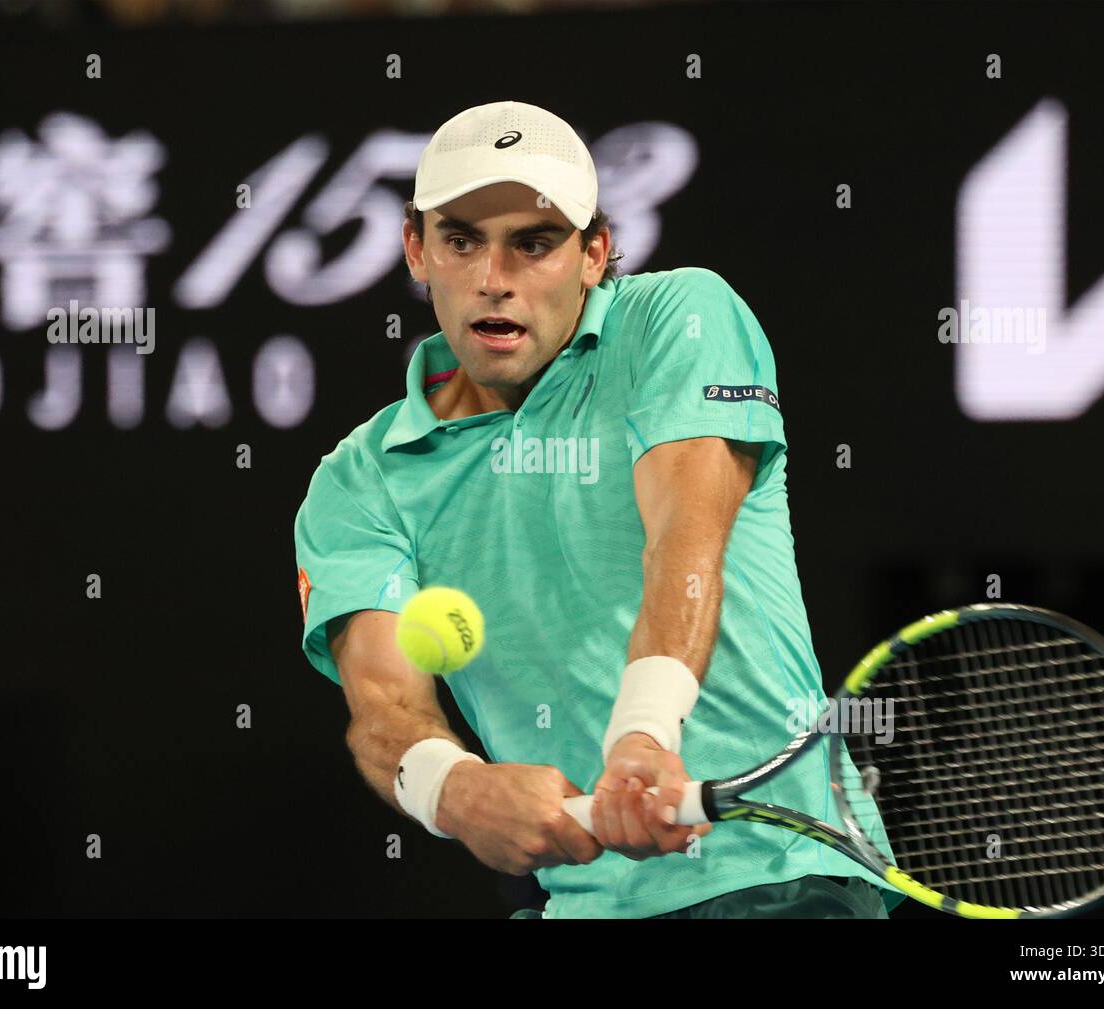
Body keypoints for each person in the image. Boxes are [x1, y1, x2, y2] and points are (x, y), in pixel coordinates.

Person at [293, 100, 899, 919]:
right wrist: (457, 789)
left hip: (781, 880)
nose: (493, 278)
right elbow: (385, 710)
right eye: (461, 240)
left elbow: (682, 544)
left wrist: (645, 733)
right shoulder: (359, 481)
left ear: (595, 254)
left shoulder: (678, 317)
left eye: (534, 242)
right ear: (416, 249)